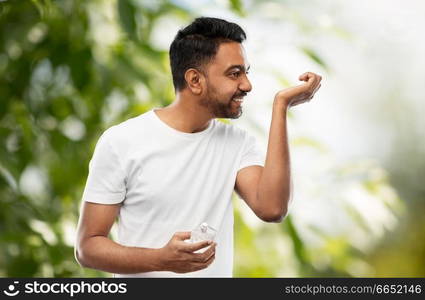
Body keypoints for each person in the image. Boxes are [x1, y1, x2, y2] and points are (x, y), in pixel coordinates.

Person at [75, 17, 322, 277]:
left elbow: (272, 208)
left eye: (246, 72)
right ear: (195, 80)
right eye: (234, 74)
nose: (247, 85)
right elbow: (87, 247)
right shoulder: (121, 142)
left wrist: (281, 107)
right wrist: (161, 260)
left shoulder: (237, 143)